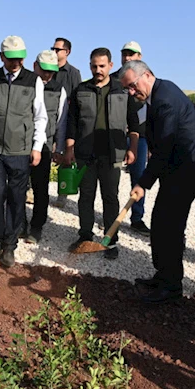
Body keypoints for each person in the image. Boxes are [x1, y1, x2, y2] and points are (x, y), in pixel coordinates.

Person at [119, 60, 195, 304]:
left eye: (133, 86)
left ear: (148, 75)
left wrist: (143, 183)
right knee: (162, 220)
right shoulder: (158, 95)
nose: (132, 93)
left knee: (169, 223)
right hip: (178, 164)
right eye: (128, 90)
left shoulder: (165, 98)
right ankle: (163, 275)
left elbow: (163, 148)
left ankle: (171, 286)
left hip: (191, 164)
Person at [0, 35, 47, 268]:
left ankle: (10, 245)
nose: (15, 63)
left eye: (19, 58)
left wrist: (36, 147)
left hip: (20, 150)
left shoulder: (33, 81)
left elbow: (40, 117)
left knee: (16, 197)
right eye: (11, 58)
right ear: (1, 56)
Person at [63, 47, 140, 260]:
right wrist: (69, 149)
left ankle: (110, 240)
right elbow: (72, 124)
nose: (98, 70)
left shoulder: (122, 90)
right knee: (86, 196)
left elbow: (134, 123)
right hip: (85, 154)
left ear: (111, 66)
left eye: (102, 66)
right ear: (90, 66)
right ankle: (85, 236)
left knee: (110, 197)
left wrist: (132, 148)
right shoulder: (81, 90)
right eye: (94, 66)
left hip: (112, 154)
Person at [25, 50, 67, 244]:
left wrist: (58, 149)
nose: (48, 75)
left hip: (44, 146)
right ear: (35, 66)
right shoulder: (24, 83)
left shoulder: (59, 90)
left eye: (52, 71)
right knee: (17, 187)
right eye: (44, 70)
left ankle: (36, 226)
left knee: (41, 188)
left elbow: (61, 121)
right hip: (21, 144)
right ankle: (18, 223)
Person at [110, 41, 149, 235]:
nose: (127, 57)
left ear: (139, 57)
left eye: (132, 54)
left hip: (139, 136)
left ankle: (137, 218)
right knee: (112, 177)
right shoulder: (112, 80)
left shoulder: (146, 80)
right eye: (124, 53)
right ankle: (112, 216)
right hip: (115, 135)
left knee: (139, 178)